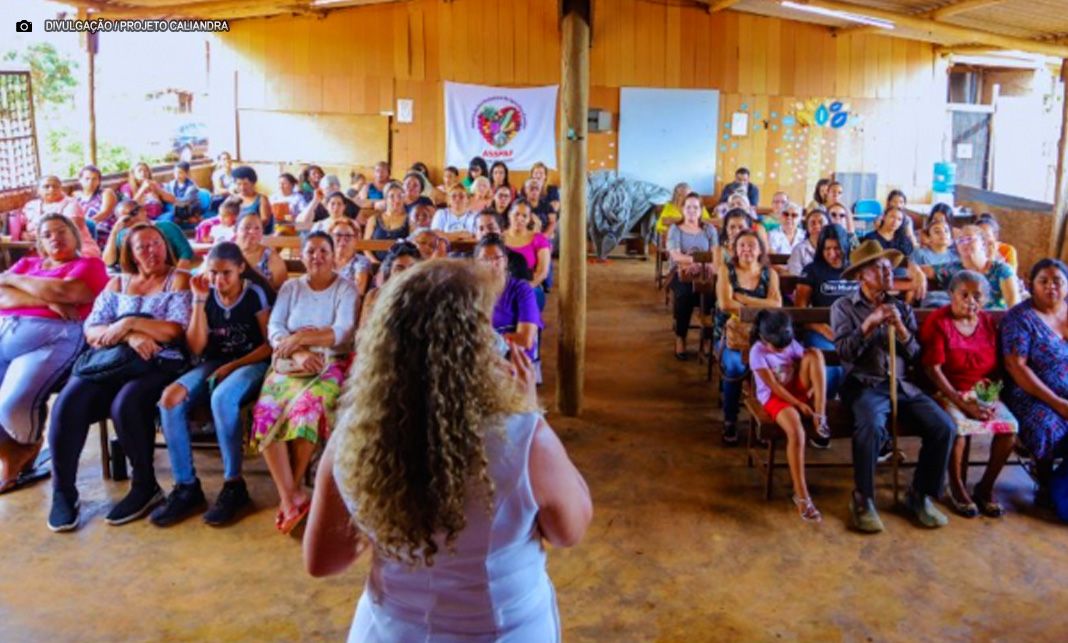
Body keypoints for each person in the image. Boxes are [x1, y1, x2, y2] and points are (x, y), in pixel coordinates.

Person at [303, 258, 590, 640]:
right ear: (471, 346)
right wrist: (529, 410)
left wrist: (386, 519)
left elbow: (324, 560)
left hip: (392, 629)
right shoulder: (525, 438)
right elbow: (569, 530)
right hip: (502, 630)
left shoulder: (353, 438)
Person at [47, 223, 192, 532]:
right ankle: (64, 492)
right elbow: (93, 330)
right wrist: (128, 337)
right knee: (69, 402)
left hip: (158, 363)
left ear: (166, 246)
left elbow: (174, 330)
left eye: (156, 243)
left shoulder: (177, 279)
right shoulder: (117, 284)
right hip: (113, 361)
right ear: (131, 253)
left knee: (126, 404)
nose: (151, 251)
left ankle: (145, 486)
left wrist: (128, 323)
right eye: (142, 246)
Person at [831, 239, 955, 534]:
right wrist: (868, 325)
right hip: (864, 385)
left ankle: (919, 495)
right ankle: (863, 499)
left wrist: (900, 330)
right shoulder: (843, 307)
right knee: (871, 426)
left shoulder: (900, 306)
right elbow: (845, 353)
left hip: (901, 386)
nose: (888, 272)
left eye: (889, 267)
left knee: (944, 427)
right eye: (879, 267)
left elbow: (915, 356)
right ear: (861, 275)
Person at [152, 242, 275, 527]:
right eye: (214, 273)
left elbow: (269, 345)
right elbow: (196, 347)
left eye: (226, 273)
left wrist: (232, 366)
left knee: (222, 398)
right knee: (169, 399)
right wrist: (197, 301)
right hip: (213, 362)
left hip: (251, 361)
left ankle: (234, 485)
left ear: (241, 269)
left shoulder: (254, 294)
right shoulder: (206, 294)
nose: (219, 281)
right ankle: (186, 487)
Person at [252, 232, 358, 534]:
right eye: (310, 251)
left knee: (307, 412)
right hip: (290, 362)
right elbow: (275, 327)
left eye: (324, 251)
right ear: (302, 255)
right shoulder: (290, 287)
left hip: (330, 362)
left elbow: (342, 331)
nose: (317, 257)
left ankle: (292, 491)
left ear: (333, 254)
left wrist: (301, 337)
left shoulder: (345, 289)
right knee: (266, 413)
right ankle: (291, 497)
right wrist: (297, 350)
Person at [0, 214, 109, 492]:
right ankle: (11, 456)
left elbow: (69, 291)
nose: (55, 238)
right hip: (6, 331)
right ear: (40, 242)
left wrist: (16, 281)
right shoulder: (27, 264)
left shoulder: (89, 265)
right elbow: (2, 294)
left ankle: (26, 447)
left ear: (75, 236)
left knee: (10, 404)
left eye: (61, 231)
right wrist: (46, 299)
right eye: (47, 234)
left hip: (54, 338)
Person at [920, 271, 1018, 518]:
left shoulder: (987, 323)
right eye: (964, 294)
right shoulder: (939, 322)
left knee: (1010, 429)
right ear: (951, 295)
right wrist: (962, 403)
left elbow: (997, 368)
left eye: (977, 295)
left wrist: (989, 397)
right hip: (946, 391)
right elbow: (933, 369)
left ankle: (985, 488)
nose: (970, 301)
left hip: (981, 391)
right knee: (958, 428)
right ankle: (957, 487)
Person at [749, 309, 829, 521]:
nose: (782, 350)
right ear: (764, 338)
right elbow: (773, 386)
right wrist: (798, 404)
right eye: (777, 347)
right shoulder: (757, 352)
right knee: (796, 432)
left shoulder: (790, 341)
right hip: (775, 397)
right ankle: (802, 495)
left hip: (794, 388)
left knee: (815, 354)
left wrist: (810, 392)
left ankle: (821, 415)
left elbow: (807, 365)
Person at [1002, 259, 1068, 507]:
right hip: (1033, 394)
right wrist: (1059, 403)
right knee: (1047, 427)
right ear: (1031, 285)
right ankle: (1046, 478)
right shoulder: (1019, 318)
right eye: (1044, 281)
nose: (1051, 287)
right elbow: (1016, 367)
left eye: (1058, 281)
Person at [716, 230, 782, 443]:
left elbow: (777, 305)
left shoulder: (769, 274)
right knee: (735, 366)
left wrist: (743, 299)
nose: (747, 249)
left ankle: (766, 419)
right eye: (742, 245)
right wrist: (762, 308)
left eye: (752, 245)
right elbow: (725, 304)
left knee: (774, 367)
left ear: (760, 250)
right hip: (734, 337)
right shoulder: (727, 271)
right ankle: (730, 420)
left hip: (764, 339)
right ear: (735, 249)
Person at [794, 224, 857, 406]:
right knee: (832, 368)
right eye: (827, 248)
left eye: (837, 248)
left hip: (853, 330)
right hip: (821, 330)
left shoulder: (855, 268)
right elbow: (800, 311)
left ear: (845, 246)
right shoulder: (812, 270)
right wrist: (821, 328)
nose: (832, 253)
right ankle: (824, 410)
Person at [666, 193, 719, 360]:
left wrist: (704, 265)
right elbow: (675, 255)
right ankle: (681, 337)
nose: (691, 211)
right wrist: (695, 262)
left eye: (695, 207)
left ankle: (707, 339)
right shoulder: (675, 229)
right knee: (684, 296)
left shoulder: (709, 229)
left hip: (705, 273)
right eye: (688, 207)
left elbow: (715, 255)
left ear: (701, 210)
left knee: (712, 296)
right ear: (682, 209)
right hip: (681, 273)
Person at [922, 225, 1019, 310]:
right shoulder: (952, 268)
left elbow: (1013, 305)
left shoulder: (1001, 270)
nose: (964, 243)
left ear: (983, 244)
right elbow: (922, 270)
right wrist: (917, 272)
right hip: (962, 323)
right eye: (960, 240)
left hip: (995, 323)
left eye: (969, 239)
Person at [477, 234, 542, 357]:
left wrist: (483, 342)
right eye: (485, 259)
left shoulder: (521, 290)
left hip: (516, 364)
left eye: (497, 258)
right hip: (484, 364)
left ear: (506, 261)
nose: (492, 264)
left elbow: (525, 340)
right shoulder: (472, 292)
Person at [17, 176, 101, 259]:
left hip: (75, 249)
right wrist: (23, 235)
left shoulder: (70, 203)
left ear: (61, 189)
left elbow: (69, 231)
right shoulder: (30, 206)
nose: (51, 189)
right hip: (40, 250)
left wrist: (36, 236)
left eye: (55, 186)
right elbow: (21, 229)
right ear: (38, 190)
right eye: (46, 186)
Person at [104, 200, 195, 271]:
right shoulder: (122, 235)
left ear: (143, 210)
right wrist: (114, 232)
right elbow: (108, 262)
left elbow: (186, 253)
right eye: (125, 219)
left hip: (169, 273)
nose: (132, 219)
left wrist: (177, 276)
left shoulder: (167, 227)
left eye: (134, 213)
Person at [358, 242, 422, 331]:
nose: (407, 274)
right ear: (389, 272)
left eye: (412, 268)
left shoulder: (424, 298)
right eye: (399, 268)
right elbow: (362, 333)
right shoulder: (374, 296)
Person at [502, 201, 551, 310]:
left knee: (529, 298)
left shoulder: (539, 239)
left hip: (530, 286)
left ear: (529, 219)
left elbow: (542, 272)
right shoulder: (499, 239)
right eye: (516, 214)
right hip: (503, 286)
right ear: (509, 215)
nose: (520, 218)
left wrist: (525, 288)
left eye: (524, 216)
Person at [235, 212, 287, 292]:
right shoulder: (226, 253)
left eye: (257, 228)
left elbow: (282, 290)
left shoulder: (271, 257)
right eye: (247, 227)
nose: (252, 232)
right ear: (236, 231)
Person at [363, 182, 411, 264]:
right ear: (385, 199)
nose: (396, 200)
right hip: (375, 264)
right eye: (392, 196)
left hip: (400, 266)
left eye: (400, 196)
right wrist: (376, 263)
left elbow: (412, 246)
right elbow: (366, 247)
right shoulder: (373, 219)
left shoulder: (410, 220)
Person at [74, 165, 119, 249]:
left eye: (94, 179)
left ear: (99, 181)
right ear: (80, 180)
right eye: (87, 179)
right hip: (84, 230)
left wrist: (86, 225)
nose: (90, 182)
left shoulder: (106, 193)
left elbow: (105, 213)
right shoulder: (77, 198)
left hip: (105, 229)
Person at [329, 218, 374, 296]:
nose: (343, 239)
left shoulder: (361, 262)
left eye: (348, 236)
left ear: (355, 239)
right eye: (338, 235)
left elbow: (358, 290)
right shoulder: (324, 260)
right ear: (330, 238)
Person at [231, 166, 273, 234]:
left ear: (253, 183)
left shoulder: (261, 199)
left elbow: (265, 220)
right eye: (239, 184)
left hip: (255, 234)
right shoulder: (232, 198)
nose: (242, 187)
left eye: (245, 184)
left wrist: (247, 229)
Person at [160, 161, 203, 228]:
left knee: (192, 220)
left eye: (180, 172)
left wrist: (171, 199)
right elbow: (165, 196)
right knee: (171, 216)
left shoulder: (192, 186)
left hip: (190, 209)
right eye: (175, 172)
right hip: (176, 209)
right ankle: (179, 219)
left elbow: (184, 202)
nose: (177, 175)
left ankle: (192, 218)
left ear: (187, 173)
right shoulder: (171, 184)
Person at [786, 210, 827, 276]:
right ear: (807, 227)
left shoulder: (833, 248)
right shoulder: (799, 249)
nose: (817, 226)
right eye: (813, 223)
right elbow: (795, 273)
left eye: (821, 222)